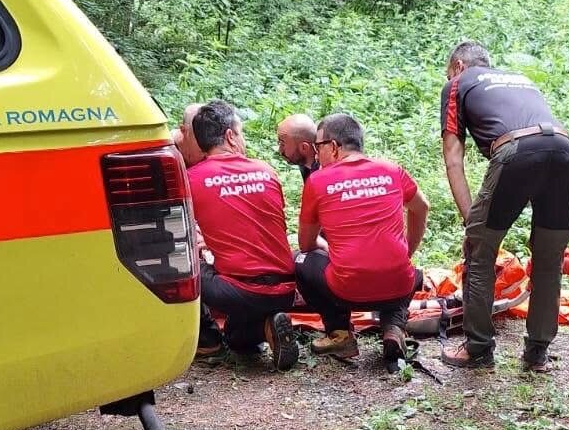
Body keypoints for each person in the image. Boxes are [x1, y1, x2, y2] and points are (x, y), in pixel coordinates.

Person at [439, 40, 569, 373]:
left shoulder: (457, 83)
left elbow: (453, 159)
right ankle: (536, 354)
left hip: (517, 151)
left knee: (479, 251)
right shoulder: (520, 79)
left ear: (458, 66)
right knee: (549, 256)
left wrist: (472, 226)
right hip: (564, 150)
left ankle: (478, 349)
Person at [294, 112, 429, 366]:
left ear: (333, 147)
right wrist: (407, 251)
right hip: (399, 283)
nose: (316, 154)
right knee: (409, 273)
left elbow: (307, 244)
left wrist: (330, 249)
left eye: (318, 147)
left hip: (347, 290)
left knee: (301, 260)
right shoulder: (391, 170)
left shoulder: (317, 180)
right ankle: (393, 328)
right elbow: (422, 207)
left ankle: (340, 333)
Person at [175, 100, 299, 371]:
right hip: (286, 288)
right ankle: (268, 326)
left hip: (236, 290)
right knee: (238, 339)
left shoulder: (190, 180)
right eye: (241, 132)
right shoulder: (267, 171)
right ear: (230, 136)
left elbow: (179, 234)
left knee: (182, 261)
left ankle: (206, 340)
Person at [276, 113, 320, 181]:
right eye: (279, 143)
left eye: (283, 144)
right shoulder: (304, 162)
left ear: (304, 147)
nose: (280, 150)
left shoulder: (326, 172)